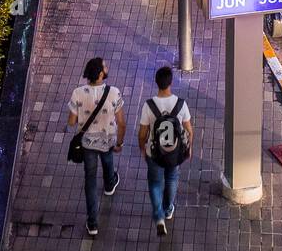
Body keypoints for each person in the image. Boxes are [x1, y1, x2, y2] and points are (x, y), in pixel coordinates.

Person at [67, 57, 125, 237]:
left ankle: (92, 222)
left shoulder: (78, 93)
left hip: (87, 143)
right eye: (105, 66)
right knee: (108, 160)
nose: (107, 68)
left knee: (90, 180)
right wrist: (120, 142)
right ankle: (109, 184)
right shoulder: (114, 92)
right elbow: (121, 122)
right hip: (107, 139)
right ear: (100, 74)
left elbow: (71, 122)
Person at [138, 66, 193, 237]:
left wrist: (142, 148)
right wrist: (189, 148)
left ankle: (159, 216)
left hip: (154, 153)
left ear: (156, 83)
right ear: (171, 82)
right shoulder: (181, 104)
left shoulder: (149, 105)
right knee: (171, 178)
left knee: (155, 183)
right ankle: (168, 209)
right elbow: (189, 131)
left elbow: (143, 133)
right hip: (175, 153)